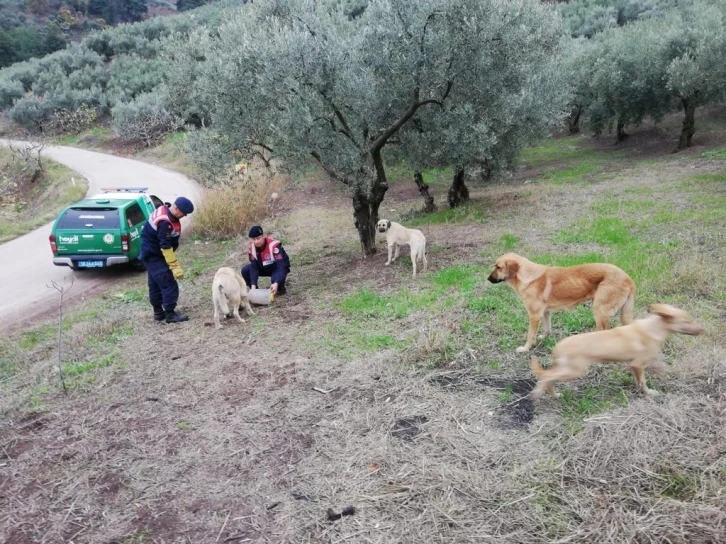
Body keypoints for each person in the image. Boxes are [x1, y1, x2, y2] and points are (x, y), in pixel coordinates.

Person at [140, 196, 194, 323]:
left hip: (150, 253)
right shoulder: (165, 222)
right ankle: (170, 314)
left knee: (154, 284)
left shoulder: (165, 209)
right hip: (155, 255)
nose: (184, 216)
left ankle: (158, 313)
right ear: (176, 208)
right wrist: (175, 266)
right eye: (184, 213)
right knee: (168, 283)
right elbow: (165, 246)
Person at [241, 225, 290, 296]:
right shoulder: (252, 249)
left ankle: (280, 287)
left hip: (276, 266)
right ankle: (256, 293)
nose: (256, 242)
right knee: (245, 270)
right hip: (263, 266)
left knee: (275, 281)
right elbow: (254, 267)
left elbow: (281, 266)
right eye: (254, 239)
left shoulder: (274, 246)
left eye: (258, 238)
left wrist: (276, 282)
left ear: (263, 236)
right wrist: (253, 286)